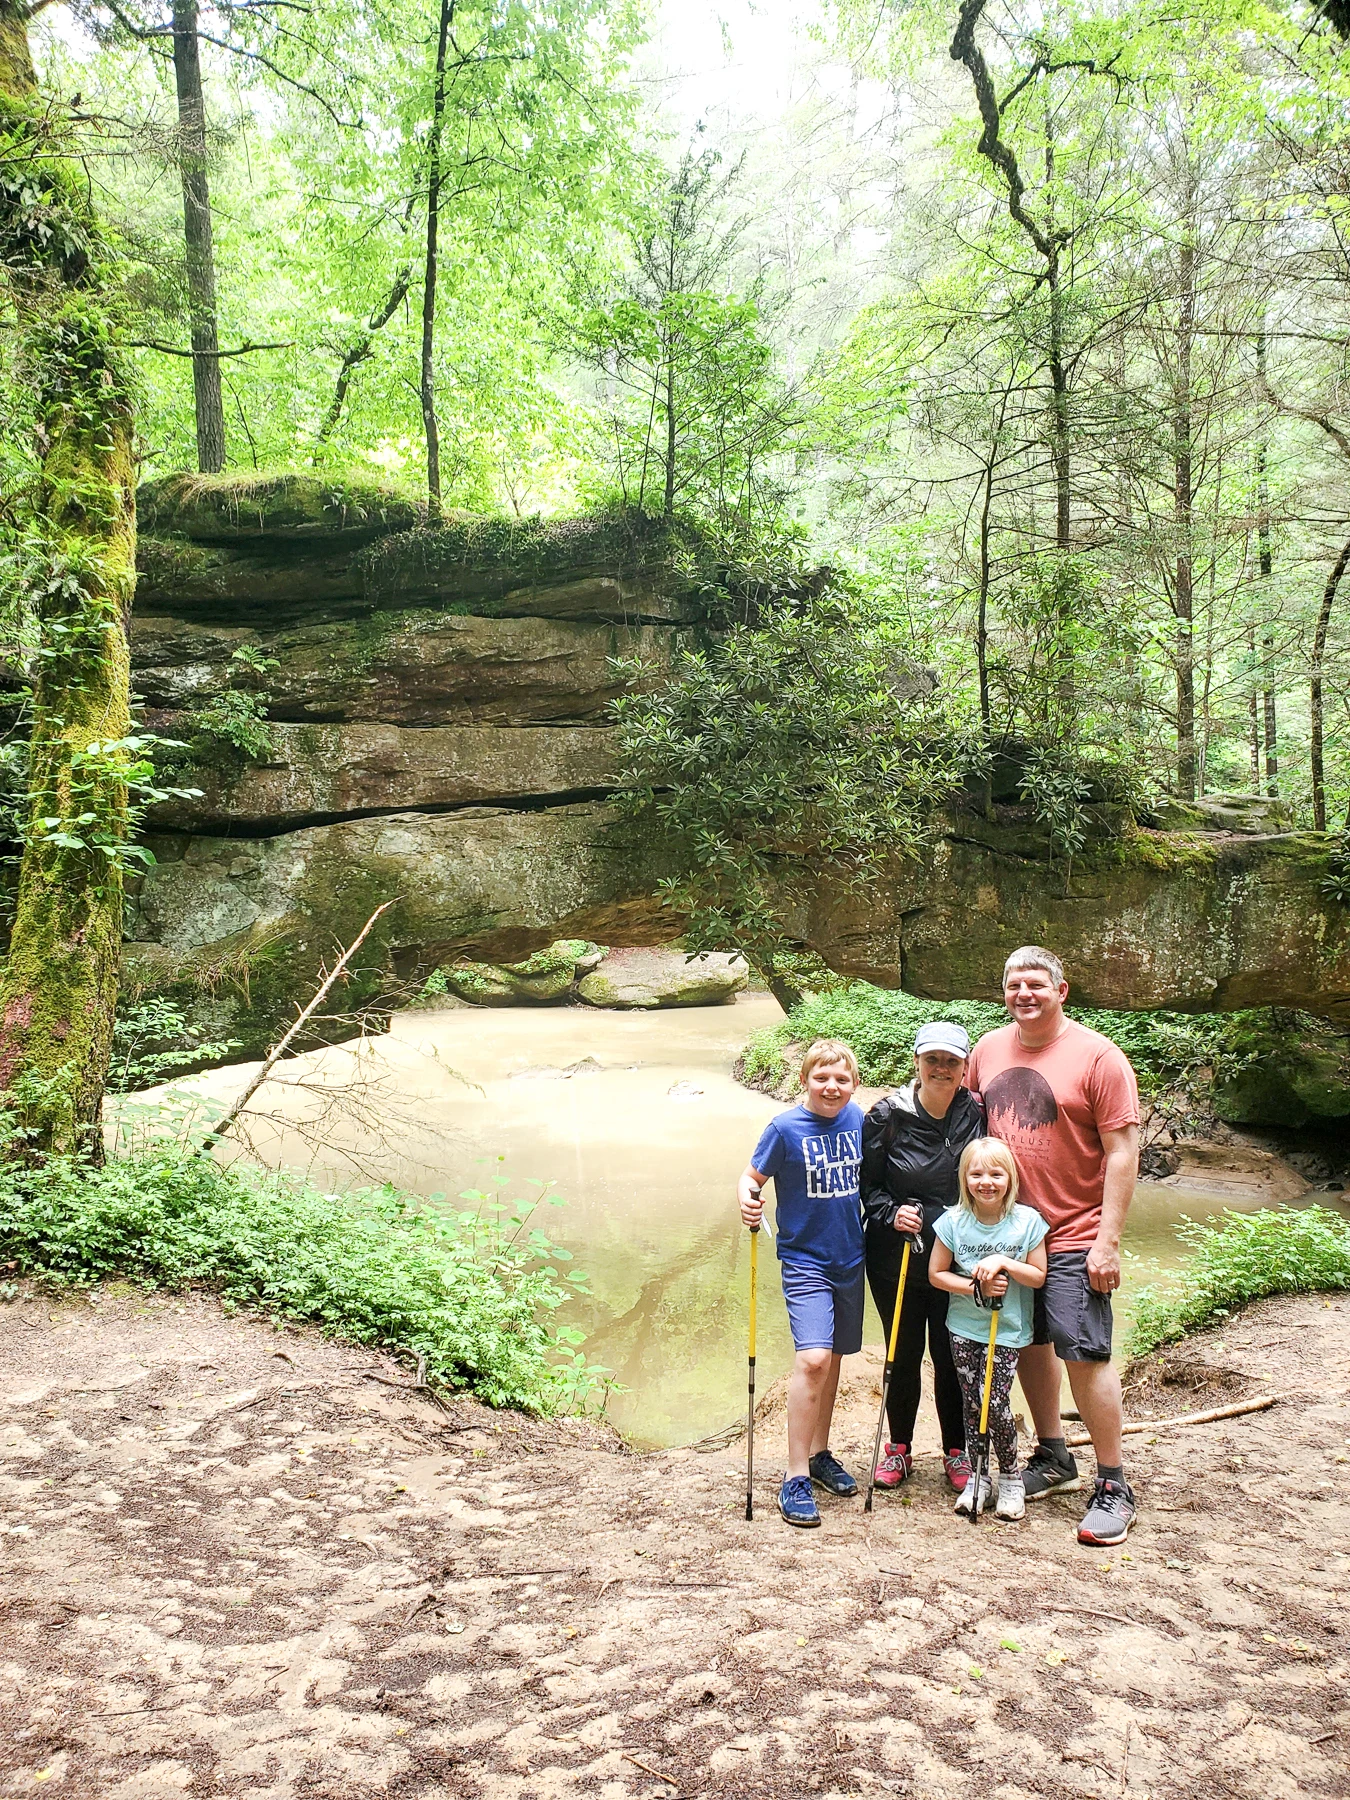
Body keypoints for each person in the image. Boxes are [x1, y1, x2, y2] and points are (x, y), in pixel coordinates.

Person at [966, 946, 1141, 1546]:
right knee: (1030, 1345)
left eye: (1036, 984)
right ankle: (1053, 1452)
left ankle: (1114, 1482)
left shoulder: (1099, 1057)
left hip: (1073, 1235)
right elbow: (968, 1136)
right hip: (1009, 1234)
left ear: (1061, 990)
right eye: (1014, 983)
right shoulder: (986, 1052)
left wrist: (1107, 1242)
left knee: (1084, 1352)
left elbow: (1122, 1152)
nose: (1024, 993)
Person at [737, 1038, 865, 1529]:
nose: (831, 1087)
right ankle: (794, 1477)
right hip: (804, 1260)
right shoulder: (784, 1128)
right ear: (805, 1080)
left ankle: (819, 1452)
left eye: (841, 1079)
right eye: (821, 1078)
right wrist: (748, 1201)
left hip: (851, 1258)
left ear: (854, 1084)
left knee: (832, 1360)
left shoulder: (859, 1119)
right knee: (812, 1358)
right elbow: (750, 1178)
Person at [861, 1021, 986, 1494]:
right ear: (916, 1062)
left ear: (964, 1068)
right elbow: (866, 1188)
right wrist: (892, 1213)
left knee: (952, 1353)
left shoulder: (976, 1112)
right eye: (932, 1059)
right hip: (897, 1254)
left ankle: (956, 1449)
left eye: (951, 1061)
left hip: (957, 1253)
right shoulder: (885, 1116)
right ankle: (899, 1447)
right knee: (903, 1351)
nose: (941, 1068)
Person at [929, 1138, 1048, 1519]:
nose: (986, 1182)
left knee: (994, 1404)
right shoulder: (952, 1221)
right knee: (971, 1403)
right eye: (977, 1174)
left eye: (996, 1174)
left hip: (1007, 1330)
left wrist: (1004, 1263)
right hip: (963, 1327)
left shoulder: (1027, 1222)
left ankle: (1011, 1478)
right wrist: (975, 1286)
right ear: (965, 1179)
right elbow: (936, 1274)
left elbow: (1038, 1276)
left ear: (1010, 1178)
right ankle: (979, 1476)